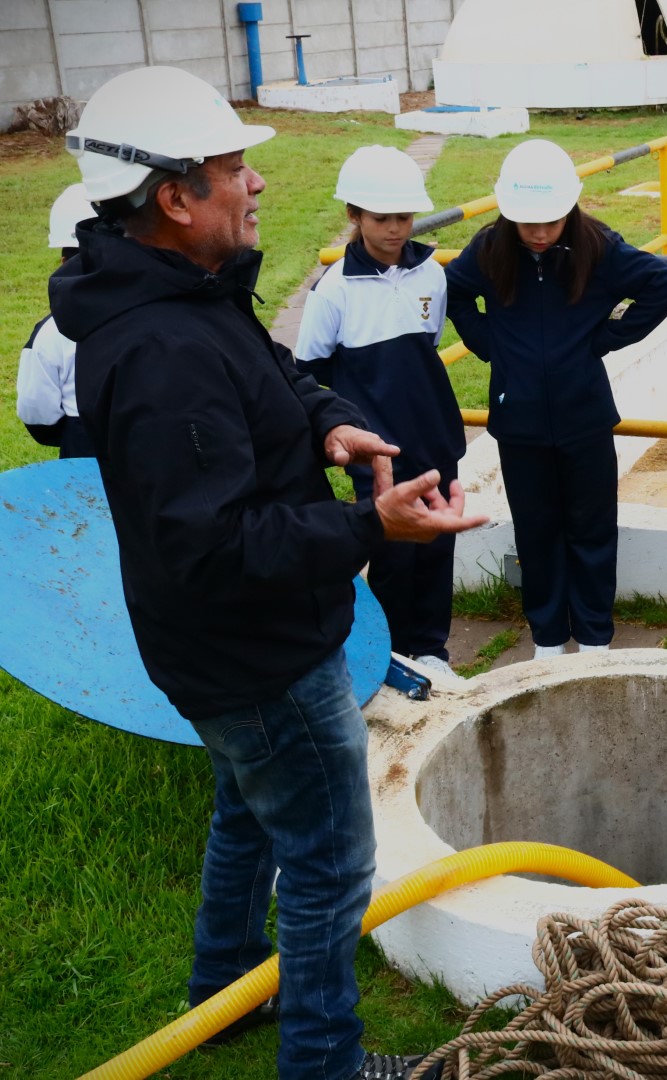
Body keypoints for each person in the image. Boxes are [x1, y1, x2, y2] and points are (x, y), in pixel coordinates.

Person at [51, 66, 484, 1080]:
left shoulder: (179, 292)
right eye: (235, 167)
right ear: (175, 196)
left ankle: (224, 990)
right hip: (259, 656)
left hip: (223, 652)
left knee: (248, 813)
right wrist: (372, 525)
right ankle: (325, 1063)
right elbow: (215, 549)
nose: (255, 183)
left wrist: (328, 421)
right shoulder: (161, 350)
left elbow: (271, 373)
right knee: (330, 861)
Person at [445, 139, 667, 659]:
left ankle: (595, 636)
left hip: (585, 418)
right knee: (537, 532)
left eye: (550, 221)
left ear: (570, 208)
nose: (538, 232)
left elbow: (663, 285)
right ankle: (548, 637)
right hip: (518, 422)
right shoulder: (489, 249)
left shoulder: (598, 246)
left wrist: (605, 338)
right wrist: (490, 344)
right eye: (527, 221)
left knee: (592, 529)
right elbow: (454, 292)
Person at [296, 145, 463, 680]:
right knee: (393, 552)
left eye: (404, 217)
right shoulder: (334, 290)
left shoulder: (432, 275)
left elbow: (427, 344)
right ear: (354, 215)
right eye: (381, 218)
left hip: (434, 434)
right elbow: (308, 369)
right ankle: (394, 655)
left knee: (436, 539)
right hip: (379, 450)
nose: (394, 229)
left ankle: (432, 650)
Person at [16, 182, 97, 458]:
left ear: (64, 262)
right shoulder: (165, 310)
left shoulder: (51, 332)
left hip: (83, 451)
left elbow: (37, 413)